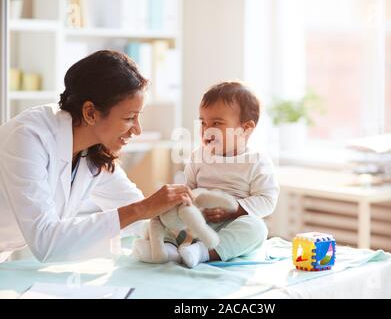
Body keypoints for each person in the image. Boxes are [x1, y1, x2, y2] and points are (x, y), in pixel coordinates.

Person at [0, 50, 192, 263]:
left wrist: (190, 231)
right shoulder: (28, 137)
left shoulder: (92, 151)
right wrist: (142, 209)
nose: (137, 130)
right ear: (90, 113)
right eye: (129, 117)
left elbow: (140, 215)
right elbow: (46, 242)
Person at [133, 81, 280, 268]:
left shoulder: (258, 160)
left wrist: (235, 210)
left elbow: (267, 200)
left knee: (257, 229)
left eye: (216, 123)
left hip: (231, 226)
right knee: (162, 220)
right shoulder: (198, 156)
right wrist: (183, 203)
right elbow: (189, 188)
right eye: (203, 122)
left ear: (246, 128)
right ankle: (167, 249)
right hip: (196, 222)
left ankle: (204, 252)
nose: (206, 130)